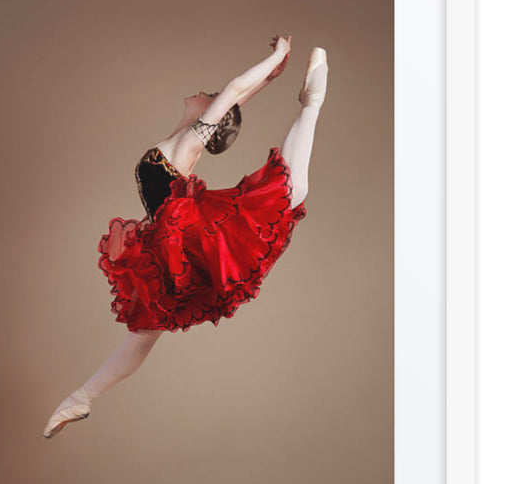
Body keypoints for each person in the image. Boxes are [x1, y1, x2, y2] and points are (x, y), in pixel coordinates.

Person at [43, 34, 328, 438]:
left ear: (210, 122)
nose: (201, 92)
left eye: (208, 96)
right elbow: (235, 98)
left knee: (285, 192)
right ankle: (81, 398)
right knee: (143, 333)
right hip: (166, 244)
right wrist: (268, 78)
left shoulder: (182, 147)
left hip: (184, 235)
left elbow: (232, 92)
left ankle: (311, 103)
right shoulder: (180, 141)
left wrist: (278, 56)